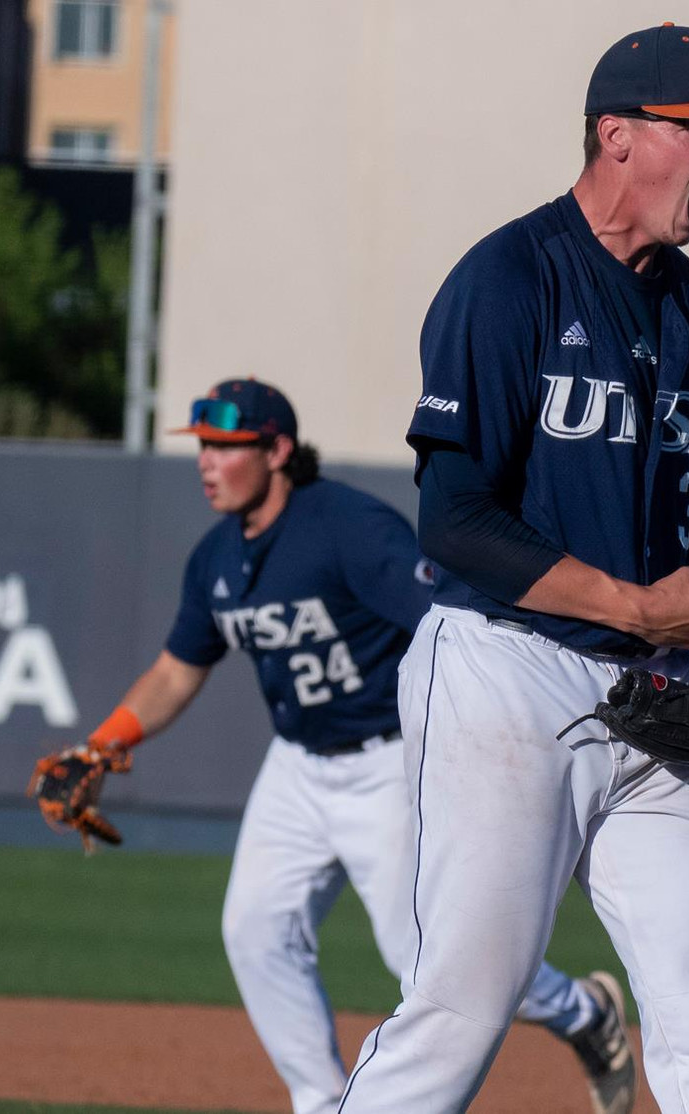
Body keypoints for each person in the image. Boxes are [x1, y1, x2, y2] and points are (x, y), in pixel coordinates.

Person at [336, 23, 689, 1114]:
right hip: (507, 673)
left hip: (663, 699)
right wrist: (635, 604)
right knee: (461, 1002)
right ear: (616, 134)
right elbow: (453, 517)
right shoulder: (509, 277)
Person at [68, 378, 636, 1114]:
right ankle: (323, 1101)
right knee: (254, 931)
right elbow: (179, 669)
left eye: (225, 447)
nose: (206, 462)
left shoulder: (347, 527)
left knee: (429, 958)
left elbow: (445, 621)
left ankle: (582, 1014)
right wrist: (101, 746)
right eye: (203, 447)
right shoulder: (216, 557)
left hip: (389, 764)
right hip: (297, 767)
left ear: (276, 450)